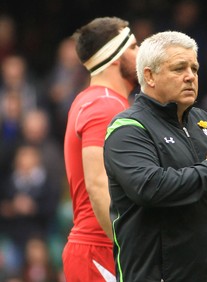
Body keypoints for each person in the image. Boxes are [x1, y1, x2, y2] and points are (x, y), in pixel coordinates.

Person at [103, 31, 207, 281]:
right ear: (149, 76)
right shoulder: (127, 128)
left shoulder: (202, 120)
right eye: (179, 68)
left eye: (194, 68)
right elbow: (150, 188)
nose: (190, 76)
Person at [62, 17, 139, 281]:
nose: (140, 55)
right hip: (102, 249)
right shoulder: (105, 105)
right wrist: (130, 247)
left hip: (101, 247)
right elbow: (98, 185)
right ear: (115, 56)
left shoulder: (95, 99)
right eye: (134, 47)